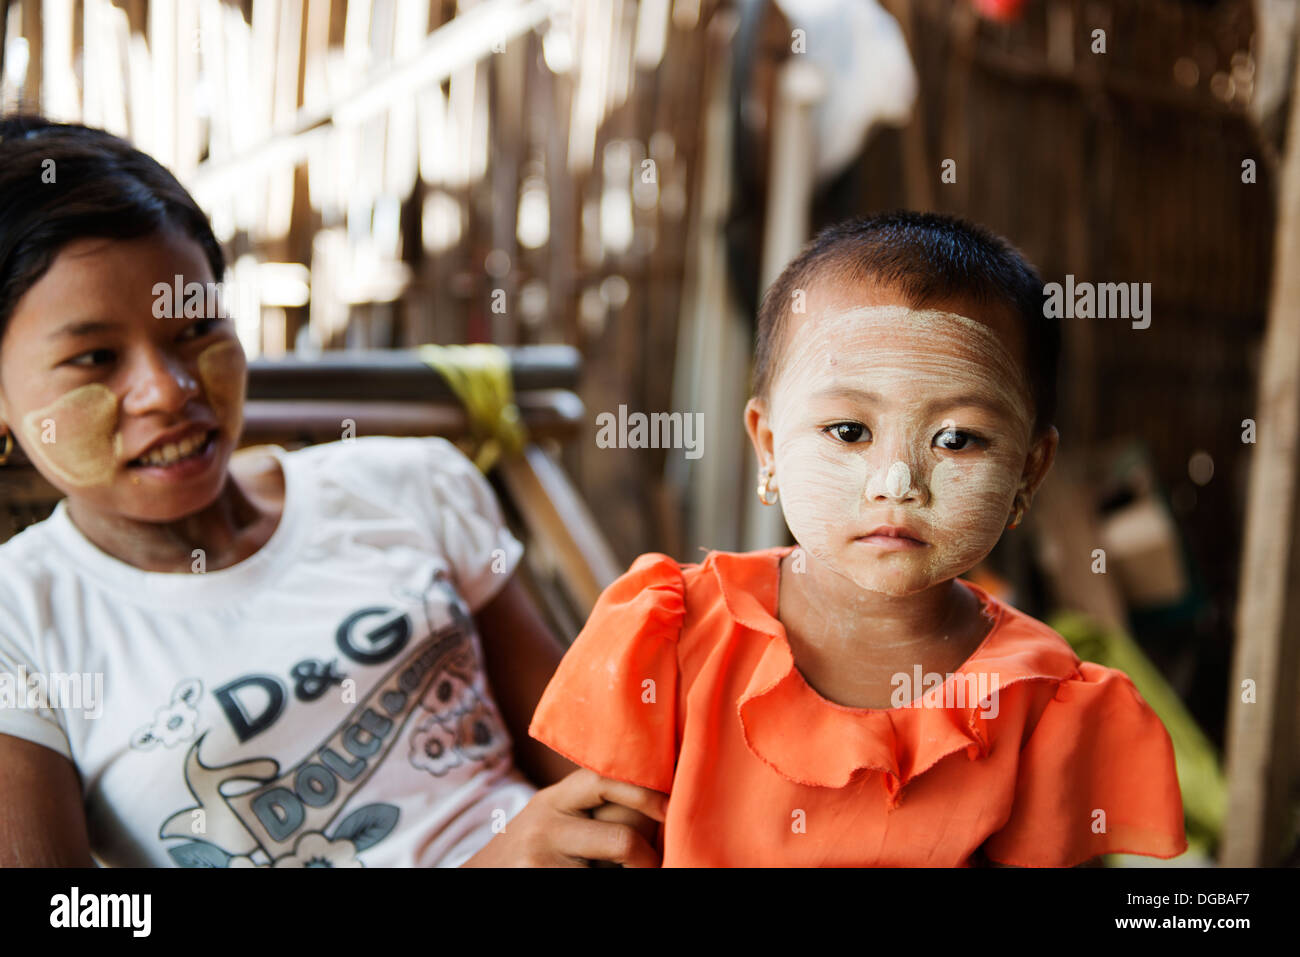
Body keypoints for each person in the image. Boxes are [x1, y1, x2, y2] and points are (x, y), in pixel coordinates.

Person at [0, 116, 663, 868]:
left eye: (194, 328)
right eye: (95, 357)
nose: (168, 387)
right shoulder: (22, 621)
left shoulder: (408, 484)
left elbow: (581, 757)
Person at [530, 211, 1189, 867]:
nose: (895, 482)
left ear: (1029, 470)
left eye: (957, 438)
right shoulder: (674, 636)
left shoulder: (1042, 700)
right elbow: (606, 844)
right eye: (849, 431)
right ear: (768, 446)